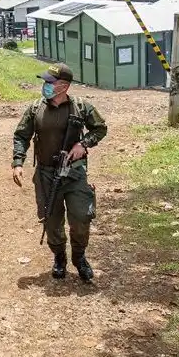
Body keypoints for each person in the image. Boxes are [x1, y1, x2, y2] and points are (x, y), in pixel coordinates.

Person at [12, 64, 107, 282]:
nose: (45, 85)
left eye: (50, 82)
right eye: (45, 81)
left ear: (63, 86)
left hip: (74, 173)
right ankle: (59, 257)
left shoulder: (81, 107)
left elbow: (100, 128)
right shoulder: (35, 108)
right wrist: (18, 162)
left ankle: (79, 257)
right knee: (51, 220)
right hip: (46, 174)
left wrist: (83, 144)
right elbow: (21, 135)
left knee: (81, 217)